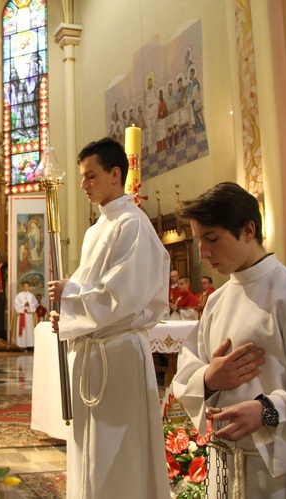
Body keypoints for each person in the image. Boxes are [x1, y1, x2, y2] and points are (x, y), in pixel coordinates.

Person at [172, 182, 286, 497]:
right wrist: (209, 379)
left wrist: (268, 411)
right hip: (224, 469)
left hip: (280, 477)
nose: (203, 253)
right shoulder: (217, 300)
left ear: (248, 229)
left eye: (212, 238)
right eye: (199, 241)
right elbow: (188, 369)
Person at [48, 137, 170, 499]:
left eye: (90, 176)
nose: (83, 185)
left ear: (115, 174)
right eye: (83, 177)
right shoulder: (97, 229)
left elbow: (122, 297)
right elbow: (95, 287)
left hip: (117, 355)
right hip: (96, 353)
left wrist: (69, 298)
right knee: (91, 452)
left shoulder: (131, 225)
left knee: (120, 454)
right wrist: (69, 301)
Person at [12, 282, 38, 350]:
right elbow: (16, 305)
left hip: (29, 315)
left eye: (27, 286)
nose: (26, 287)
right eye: (25, 286)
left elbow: (35, 304)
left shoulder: (31, 295)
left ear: (28, 287)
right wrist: (23, 305)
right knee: (22, 330)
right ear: (23, 287)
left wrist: (29, 305)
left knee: (29, 330)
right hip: (21, 315)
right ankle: (21, 345)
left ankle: (30, 345)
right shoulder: (19, 295)